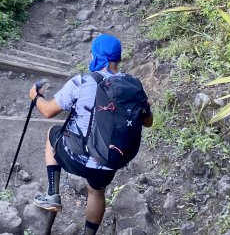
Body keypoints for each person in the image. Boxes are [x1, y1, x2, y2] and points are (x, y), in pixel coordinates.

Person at [27, 34, 153, 235]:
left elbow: (48, 111)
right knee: (96, 192)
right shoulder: (133, 86)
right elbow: (148, 122)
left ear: (98, 57)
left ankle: (52, 194)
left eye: (93, 54)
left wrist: (35, 97)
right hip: (108, 160)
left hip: (76, 158)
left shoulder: (82, 82)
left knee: (52, 133)